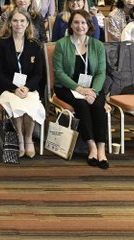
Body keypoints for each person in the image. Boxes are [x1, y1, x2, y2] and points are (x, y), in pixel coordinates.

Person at [52, 10, 110, 169]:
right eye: (76, 22)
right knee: (82, 105)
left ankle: (101, 148)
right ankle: (91, 146)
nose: (80, 26)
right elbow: (59, 73)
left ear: (89, 25)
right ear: (71, 24)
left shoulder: (97, 45)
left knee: (98, 106)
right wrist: (79, 89)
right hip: (67, 87)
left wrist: (92, 91)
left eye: (83, 22)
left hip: (92, 87)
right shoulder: (62, 44)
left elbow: (100, 72)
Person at [0, 9, 47, 159]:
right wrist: (14, 89)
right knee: (17, 104)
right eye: (15, 20)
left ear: (28, 23)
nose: (19, 24)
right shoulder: (1, 43)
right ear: (9, 23)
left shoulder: (34, 44)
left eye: (22, 21)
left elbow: (38, 73)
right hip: (6, 88)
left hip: (28, 87)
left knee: (31, 103)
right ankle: (20, 139)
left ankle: (28, 138)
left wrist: (27, 87)